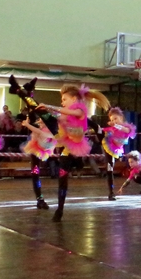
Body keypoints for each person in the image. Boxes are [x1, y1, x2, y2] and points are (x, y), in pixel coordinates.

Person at [38, 84, 110, 222]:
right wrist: (45, 111)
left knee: (73, 163)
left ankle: (79, 164)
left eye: (64, 99)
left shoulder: (80, 111)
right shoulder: (65, 115)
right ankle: (60, 209)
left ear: (74, 99)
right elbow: (59, 117)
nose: (62, 102)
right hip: (67, 146)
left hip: (77, 147)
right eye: (62, 100)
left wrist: (48, 106)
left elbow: (71, 113)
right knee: (62, 178)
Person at [21, 117, 56, 210]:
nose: (40, 122)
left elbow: (38, 131)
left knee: (35, 175)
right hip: (37, 152)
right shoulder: (44, 131)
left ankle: (40, 199)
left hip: (42, 151)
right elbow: (37, 131)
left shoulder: (48, 132)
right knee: (35, 175)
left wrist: (27, 124)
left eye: (42, 121)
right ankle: (40, 199)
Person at [102, 107, 136, 201]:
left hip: (118, 149)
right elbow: (104, 130)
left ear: (121, 117)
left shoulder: (127, 127)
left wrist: (115, 125)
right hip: (110, 147)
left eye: (115, 118)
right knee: (109, 169)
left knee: (111, 166)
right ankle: (111, 192)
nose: (114, 121)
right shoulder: (112, 128)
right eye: (112, 120)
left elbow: (126, 130)